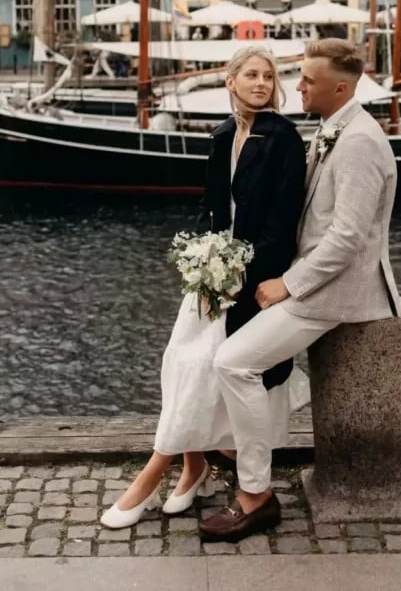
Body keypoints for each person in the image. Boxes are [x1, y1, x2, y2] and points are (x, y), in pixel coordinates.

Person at [199, 38, 401, 543]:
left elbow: (349, 238)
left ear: (339, 87)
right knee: (233, 361)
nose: (296, 87)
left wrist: (287, 285)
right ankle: (239, 456)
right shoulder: (335, 129)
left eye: (308, 80)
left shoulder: (358, 142)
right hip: (315, 280)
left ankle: (255, 495)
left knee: (233, 362)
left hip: (337, 291)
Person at [100, 45, 307, 529]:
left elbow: (283, 222)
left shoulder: (284, 138)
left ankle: (156, 472)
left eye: (269, 76)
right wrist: (201, 257)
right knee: (181, 363)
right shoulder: (220, 135)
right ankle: (192, 466)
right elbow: (210, 206)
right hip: (212, 276)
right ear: (230, 82)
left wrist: (250, 276)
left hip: (254, 281)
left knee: (203, 367)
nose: (262, 83)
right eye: (251, 75)